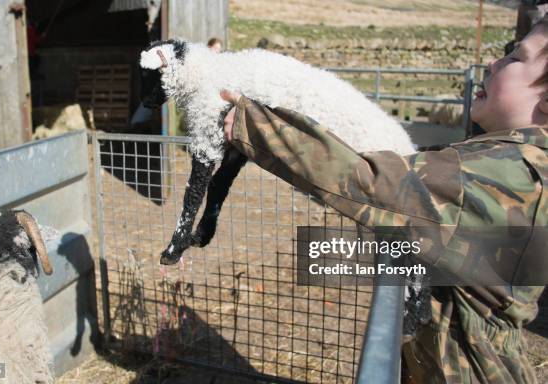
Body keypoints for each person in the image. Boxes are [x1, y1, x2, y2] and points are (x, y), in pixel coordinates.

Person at [219, 16, 548, 384]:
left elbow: (370, 182)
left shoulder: (507, 173)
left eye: (516, 57)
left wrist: (255, 126)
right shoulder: (525, 166)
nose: (493, 62)